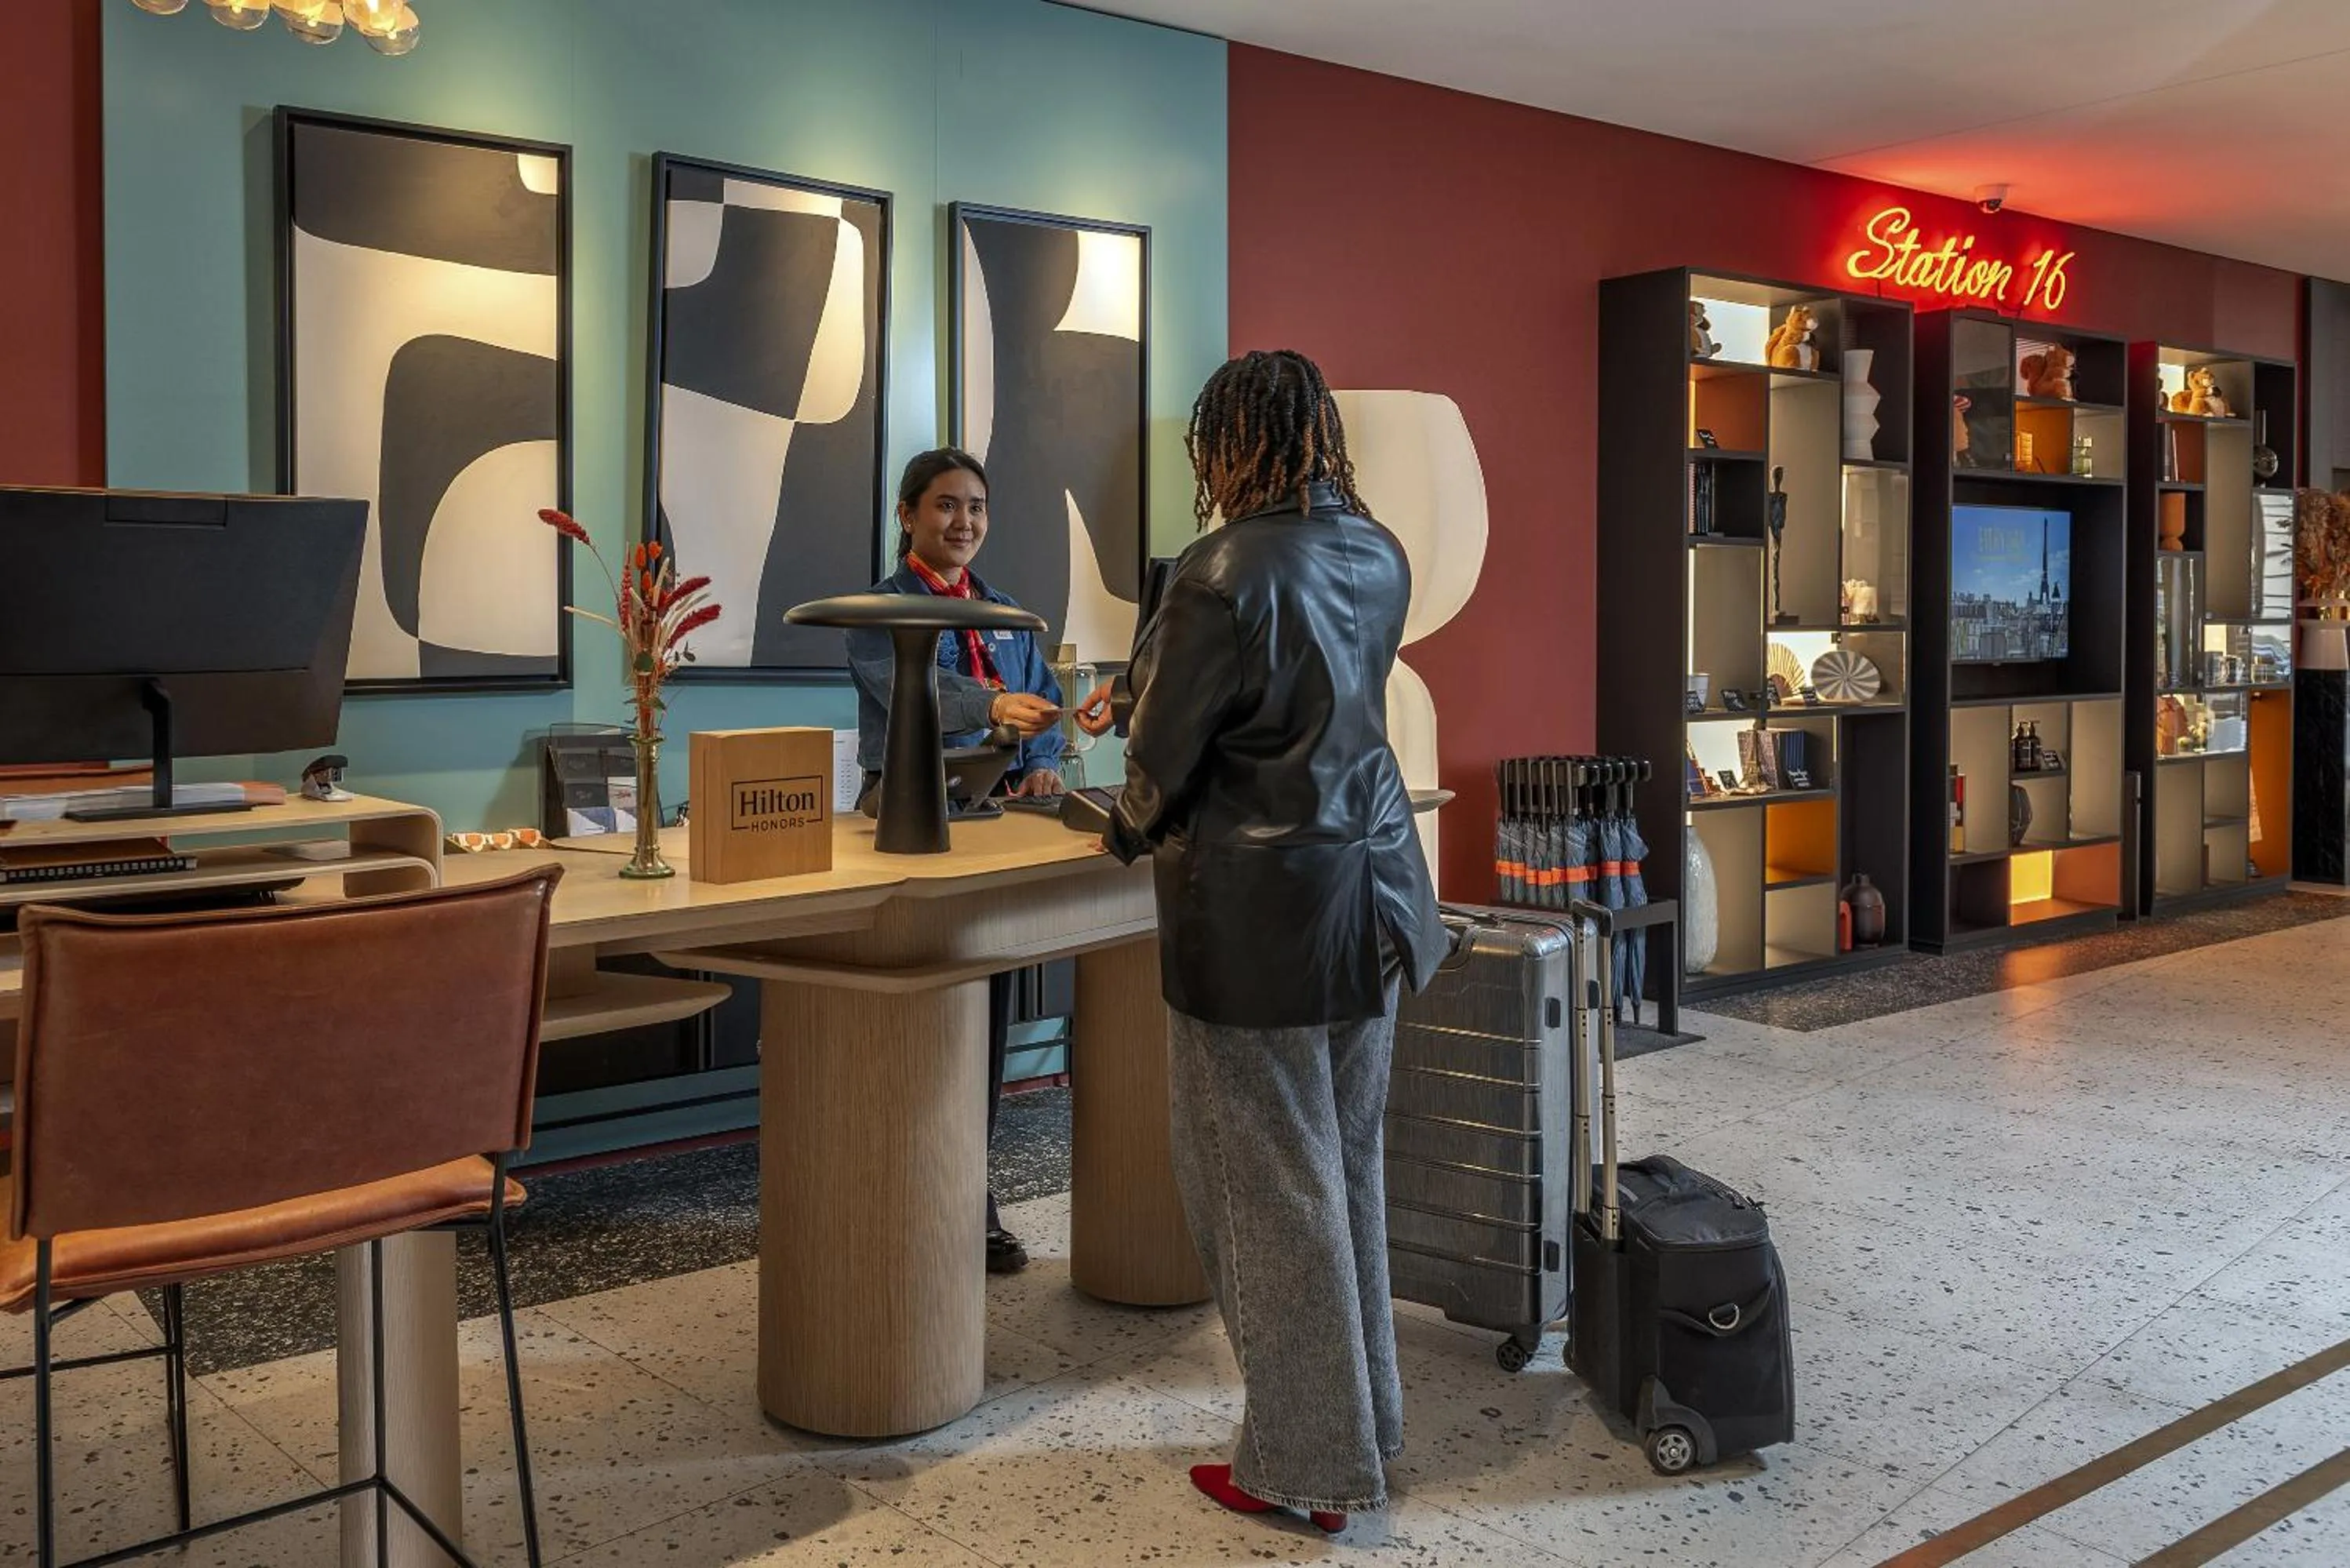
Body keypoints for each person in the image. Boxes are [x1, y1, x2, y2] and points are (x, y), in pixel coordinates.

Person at [1077, 351, 1446, 1532]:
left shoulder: (1219, 565)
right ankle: (1366, 1423)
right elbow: (1311, 700)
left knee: (1261, 1192)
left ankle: (1301, 1464)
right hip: (1377, 899)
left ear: (1229, 442)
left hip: (1259, 920)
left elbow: (1166, 755)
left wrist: (1124, 824)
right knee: (1341, 1171)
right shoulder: (1380, 550)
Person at [847, 447, 1065, 1273]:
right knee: (931, 1030)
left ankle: (971, 1201)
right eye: (944, 506)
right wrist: (992, 704)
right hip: (907, 813)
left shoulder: (1004, 609)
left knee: (988, 1016)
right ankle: (925, 1202)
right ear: (907, 514)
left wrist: (1042, 749)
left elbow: (1039, 693)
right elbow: (912, 688)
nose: (962, 521)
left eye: (975, 506)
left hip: (995, 815)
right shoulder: (876, 605)